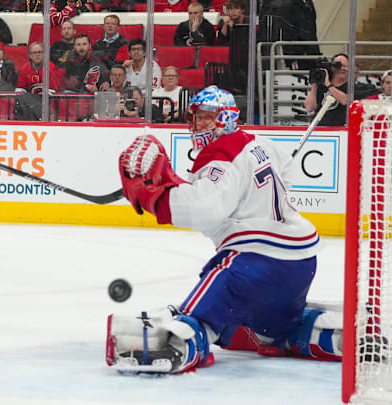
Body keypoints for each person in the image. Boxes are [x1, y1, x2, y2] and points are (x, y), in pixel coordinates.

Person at [108, 85, 341, 375]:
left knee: (197, 318)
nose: (199, 125)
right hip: (301, 261)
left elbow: (206, 208)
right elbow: (286, 172)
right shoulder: (258, 142)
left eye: (207, 117)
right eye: (196, 117)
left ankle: (179, 345)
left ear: (226, 119)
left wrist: (156, 199)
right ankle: (323, 336)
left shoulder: (221, 153)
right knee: (272, 329)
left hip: (255, 262)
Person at [303, 53, 355, 126]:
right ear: (332, 67)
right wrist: (314, 85)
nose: (342, 68)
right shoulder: (321, 86)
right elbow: (309, 108)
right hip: (320, 128)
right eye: (338, 65)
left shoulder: (352, 87)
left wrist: (328, 84)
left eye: (345, 66)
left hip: (341, 130)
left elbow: (345, 101)